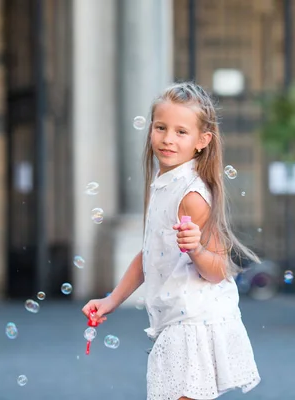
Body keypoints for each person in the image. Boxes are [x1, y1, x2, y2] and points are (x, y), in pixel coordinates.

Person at [82, 82, 261, 399]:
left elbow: (218, 269)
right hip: (175, 319)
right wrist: (111, 300)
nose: (167, 139)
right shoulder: (163, 184)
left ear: (202, 141)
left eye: (181, 132)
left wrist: (196, 249)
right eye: (161, 127)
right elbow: (149, 255)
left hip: (193, 323)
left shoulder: (192, 195)